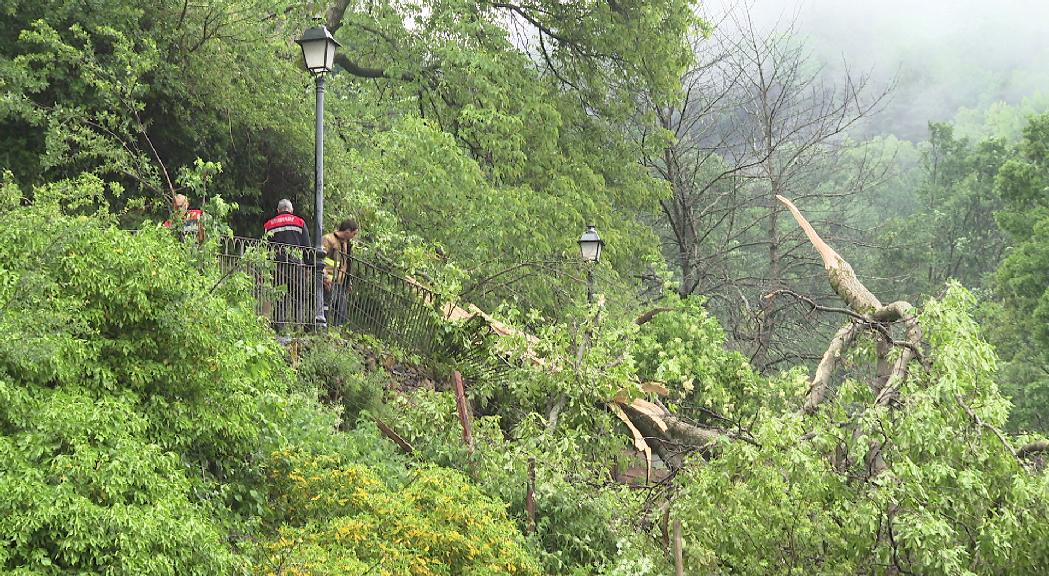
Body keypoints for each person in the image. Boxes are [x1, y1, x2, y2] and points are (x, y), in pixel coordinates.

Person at [263, 199, 313, 331]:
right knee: (300, 297)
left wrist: (266, 269)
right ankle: (298, 327)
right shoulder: (300, 222)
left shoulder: (269, 225)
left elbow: (266, 249)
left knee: (280, 298)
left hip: (278, 267)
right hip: (297, 267)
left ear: (278, 210)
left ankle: (279, 328)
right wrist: (309, 266)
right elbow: (306, 247)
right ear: (291, 210)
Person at [322, 219, 358, 326]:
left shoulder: (345, 244)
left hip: (339, 282)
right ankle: (322, 330)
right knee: (325, 308)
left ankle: (338, 331)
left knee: (341, 311)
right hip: (327, 281)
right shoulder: (328, 240)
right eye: (354, 233)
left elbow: (344, 263)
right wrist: (324, 278)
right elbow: (319, 259)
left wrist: (347, 280)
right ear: (347, 231)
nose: (354, 236)